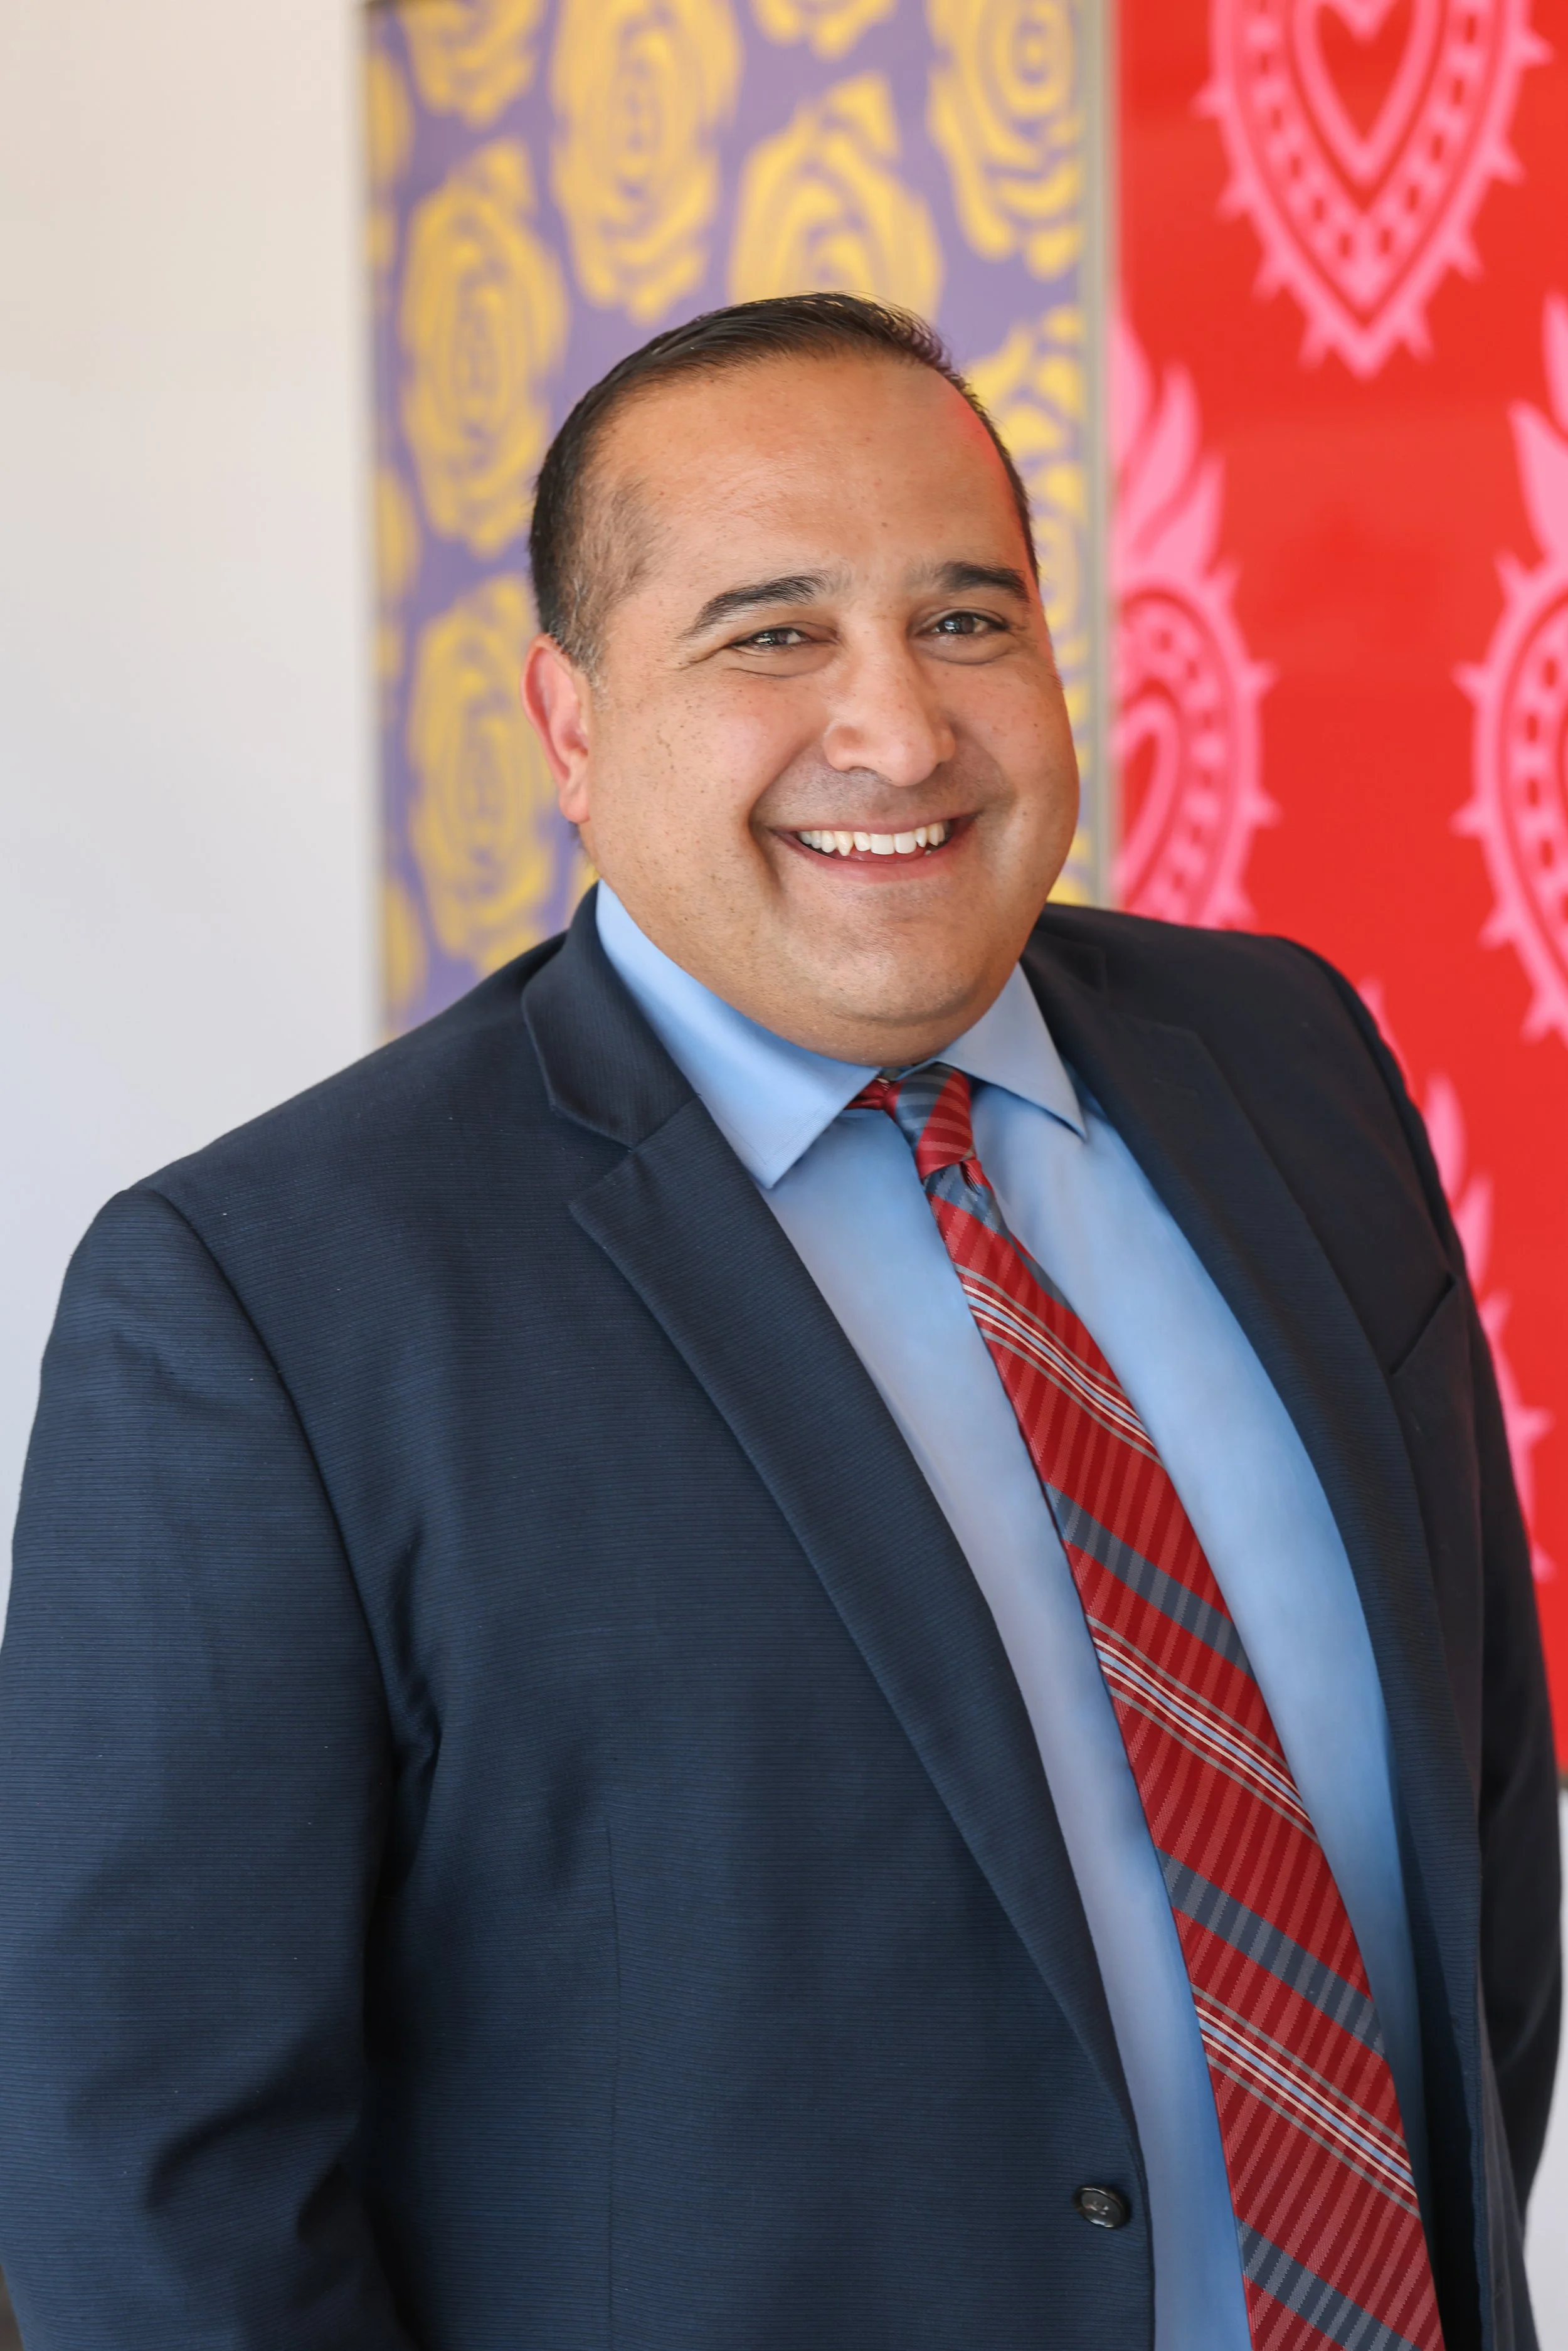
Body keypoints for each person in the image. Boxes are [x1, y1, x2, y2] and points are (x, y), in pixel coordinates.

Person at [0, 295, 1557, 2351]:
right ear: (568, 723)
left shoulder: (1284, 1059)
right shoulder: (265, 1306)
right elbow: (147, 2195)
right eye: (770, 633)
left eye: (968, 620)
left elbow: (1473, 1854)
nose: (898, 730)